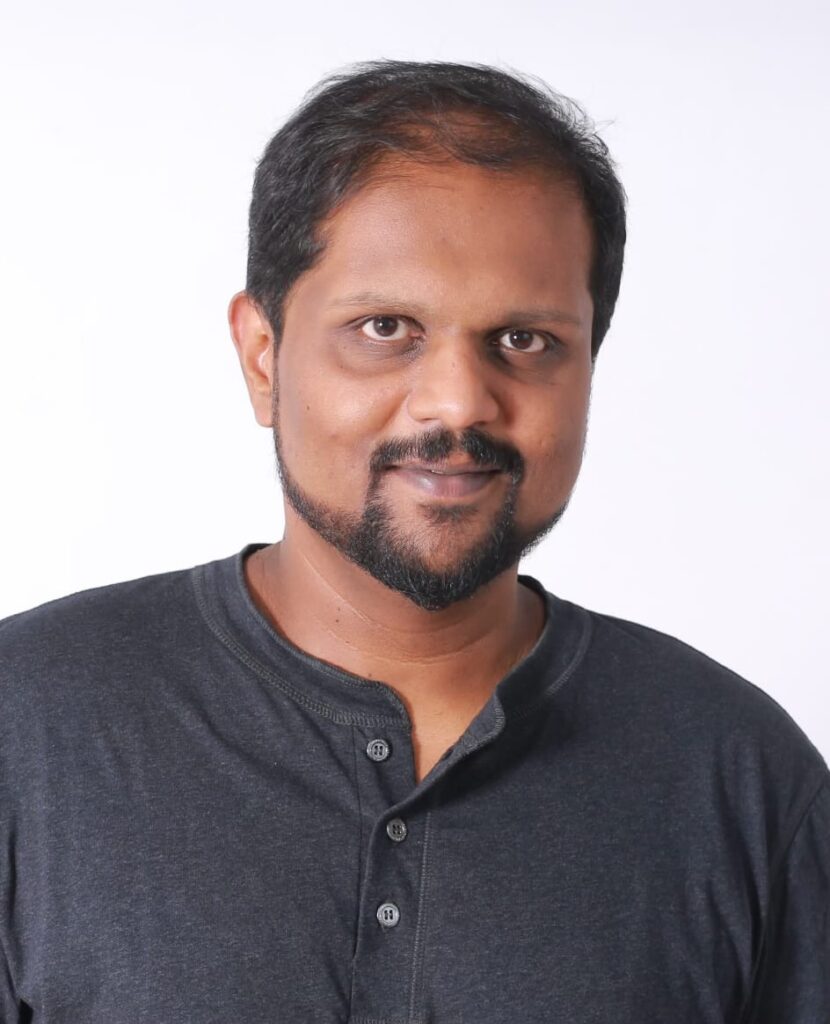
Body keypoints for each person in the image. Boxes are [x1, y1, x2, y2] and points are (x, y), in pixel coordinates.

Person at [0, 59, 826, 1024]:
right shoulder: (29, 726)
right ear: (263, 357)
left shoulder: (741, 779)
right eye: (385, 327)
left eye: (524, 340)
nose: (458, 404)